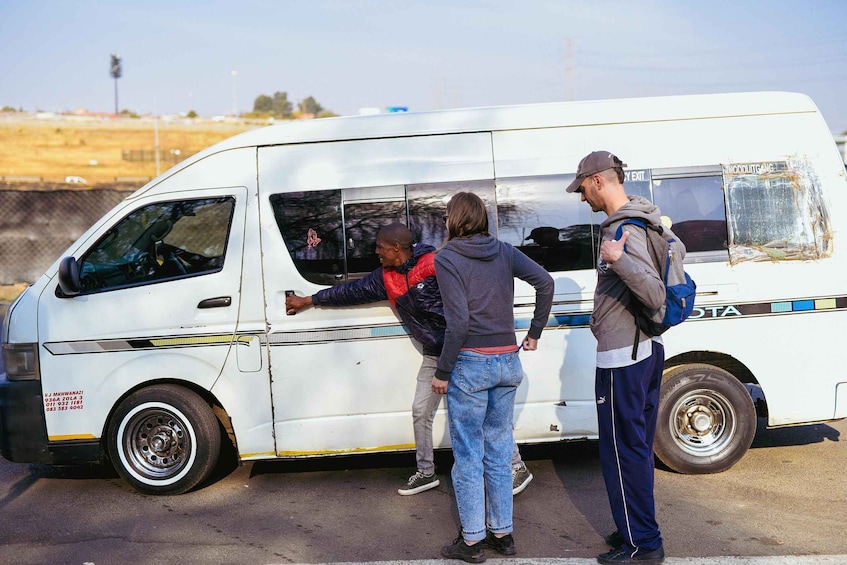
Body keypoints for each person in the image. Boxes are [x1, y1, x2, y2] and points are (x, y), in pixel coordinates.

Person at [285, 222, 534, 497]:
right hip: (434, 353)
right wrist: (309, 300)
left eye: (380, 247)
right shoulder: (385, 277)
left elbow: (473, 293)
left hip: (464, 349)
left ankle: (516, 466)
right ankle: (426, 472)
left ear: (396, 248)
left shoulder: (435, 264)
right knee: (420, 411)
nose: (376, 252)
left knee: (486, 413)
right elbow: (349, 291)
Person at [432, 193, 554, 562]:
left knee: (468, 454)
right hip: (507, 361)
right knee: (499, 451)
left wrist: (442, 372)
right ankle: (502, 534)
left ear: (453, 219)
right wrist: (534, 333)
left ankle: (472, 541)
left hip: (470, 364)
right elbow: (545, 282)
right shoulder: (503, 251)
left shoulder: (447, 257)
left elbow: (458, 324)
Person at [566, 151, 667, 564]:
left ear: (598, 181)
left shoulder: (626, 228)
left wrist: (617, 259)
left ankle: (643, 545)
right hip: (639, 350)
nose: (581, 198)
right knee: (635, 450)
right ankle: (634, 528)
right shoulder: (638, 219)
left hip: (623, 359)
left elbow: (654, 294)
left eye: (582, 189)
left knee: (622, 452)